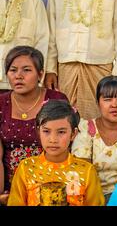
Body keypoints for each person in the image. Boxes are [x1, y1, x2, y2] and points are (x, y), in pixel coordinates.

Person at [0, 46, 68, 203]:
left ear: (41, 74)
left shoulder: (56, 100)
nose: (18, 76)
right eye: (13, 70)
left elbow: (65, 147)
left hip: (52, 185)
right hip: (10, 188)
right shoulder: (1, 104)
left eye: (26, 70)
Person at [7, 99, 104, 206]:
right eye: (46, 131)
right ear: (39, 131)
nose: (53, 139)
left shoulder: (87, 171)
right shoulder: (26, 168)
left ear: (73, 134)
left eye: (61, 132)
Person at [71, 75, 117, 202]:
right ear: (98, 102)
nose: (114, 105)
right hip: (91, 197)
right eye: (107, 99)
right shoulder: (87, 129)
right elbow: (82, 174)